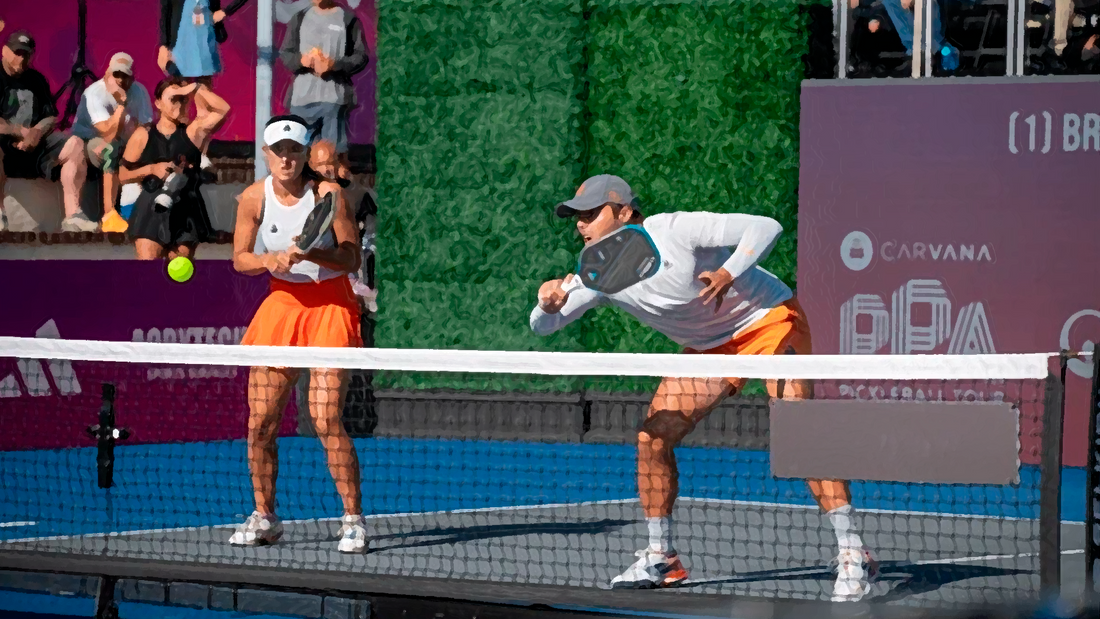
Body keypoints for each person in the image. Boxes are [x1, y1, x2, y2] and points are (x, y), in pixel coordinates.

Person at [530, 175, 879, 601]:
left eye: (591, 213)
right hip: (711, 348)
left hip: (768, 320)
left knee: (798, 435)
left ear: (624, 212)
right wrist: (546, 305)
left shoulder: (675, 230)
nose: (582, 225)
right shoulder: (594, 276)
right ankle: (663, 557)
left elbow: (765, 227)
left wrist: (729, 272)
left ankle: (851, 553)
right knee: (653, 437)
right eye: (577, 217)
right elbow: (544, 326)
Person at [228, 114, 367, 553]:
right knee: (261, 424)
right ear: (267, 154)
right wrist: (270, 262)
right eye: (278, 150)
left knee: (325, 419)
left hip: (330, 304)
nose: (287, 159)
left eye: (294, 150)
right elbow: (239, 258)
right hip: (281, 306)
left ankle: (352, 520)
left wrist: (314, 254)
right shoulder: (253, 197)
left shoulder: (329, 195)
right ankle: (265, 515)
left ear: (306, 153)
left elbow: (351, 260)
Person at [119, 79, 229, 260]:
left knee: (180, 274)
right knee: (149, 273)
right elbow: (122, 175)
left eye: (183, 99)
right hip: (151, 208)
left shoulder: (193, 132)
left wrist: (195, 88)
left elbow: (222, 109)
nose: (179, 103)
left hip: (185, 209)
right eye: (173, 99)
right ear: (158, 103)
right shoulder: (143, 135)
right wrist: (151, 169)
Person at [0, 31, 92, 233]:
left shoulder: (36, 80)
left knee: (75, 143)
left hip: (35, 148)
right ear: (4, 51)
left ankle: (73, 215)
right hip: (4, 148)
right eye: (16, 52)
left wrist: (36, 133)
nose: (21, 58)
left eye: (26, 54)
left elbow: (51, 116)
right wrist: (19, 132)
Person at [279, 0, 369, 180]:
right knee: (302, 156)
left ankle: (337, 200)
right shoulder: (300, 18)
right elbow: (286, 54)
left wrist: (334, 64)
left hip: (334, 101)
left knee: (334, 158)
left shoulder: (347, 19)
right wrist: (301, 61)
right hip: (301, 101)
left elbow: (360, 57)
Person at [158, 0, 247, 169]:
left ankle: (201, 152)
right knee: (179, 100)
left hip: (204, 37)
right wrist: (164, 45)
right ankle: (176, 151)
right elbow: (166, 10)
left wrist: (225, 11)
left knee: (204, 100)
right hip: (180, 39)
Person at [72, 52, 154, 234]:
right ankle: (109, 214)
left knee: (147, 149)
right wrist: (121, 104)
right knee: (111, 149)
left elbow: (146, 127)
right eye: (116, 74)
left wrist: (136, 147)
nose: (120, 80)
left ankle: (138, 213)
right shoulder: (94, 93)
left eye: (125, 76)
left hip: (125, 143)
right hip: (91, 143)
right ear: (107, 74)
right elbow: (108, 134)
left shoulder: (139, 91)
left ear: (132, 78)